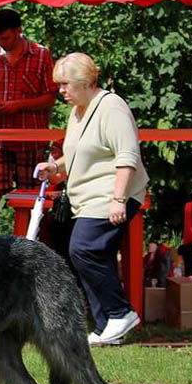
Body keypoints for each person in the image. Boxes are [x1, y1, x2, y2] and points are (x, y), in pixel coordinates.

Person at [36, 53, 149, 345]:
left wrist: (119, 199)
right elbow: (76, 154)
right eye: (59, 84)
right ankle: (106, 327)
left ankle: (121, 312)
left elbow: (127, 157)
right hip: (86, 196)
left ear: (85, 82)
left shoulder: (111, 107)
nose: (60, 91)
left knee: (83, 250)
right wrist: (56, 168)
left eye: (65, 84)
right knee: (88, 254)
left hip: (111, 193)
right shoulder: (77, 110)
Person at [0, 8, 58, 233]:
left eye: (6, 37)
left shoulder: (41, 55)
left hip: (30, 137)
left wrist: (18, 105)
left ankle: (32, 247)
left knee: (31, 197)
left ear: (19, 31)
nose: (2, 42)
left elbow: (50, 97)